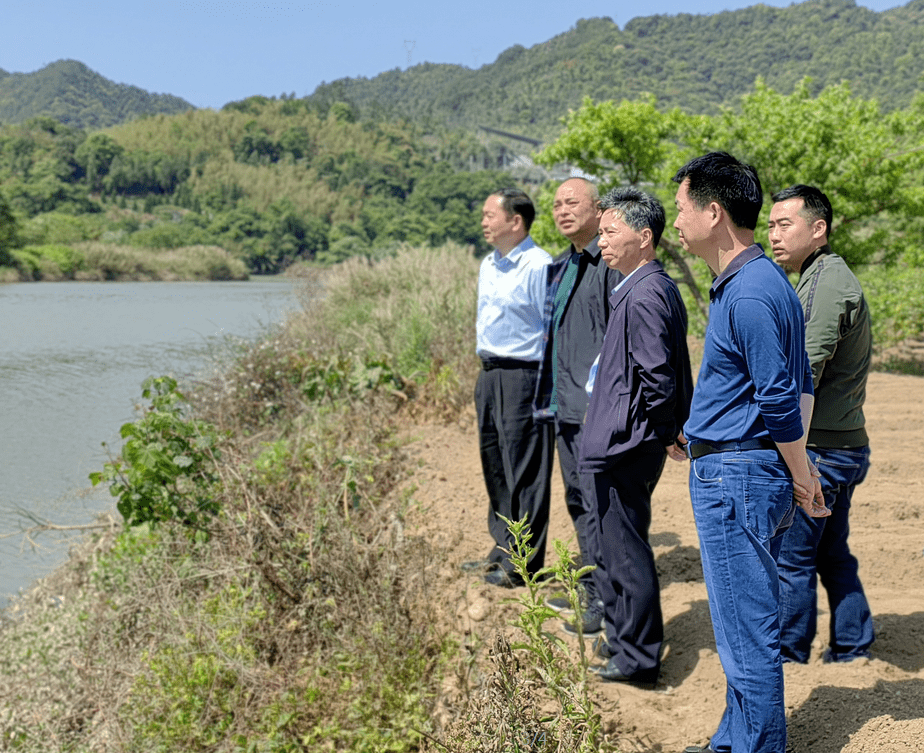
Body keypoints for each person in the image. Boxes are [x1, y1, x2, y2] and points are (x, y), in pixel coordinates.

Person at [670, 152, 827, 753]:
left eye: (683, 209)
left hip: (737, 477)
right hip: (733, 464)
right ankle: (732, 740)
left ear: (714, 212)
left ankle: (760, 746)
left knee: (747, 630)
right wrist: (701, 429)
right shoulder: (755, 283)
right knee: (737, 624)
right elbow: (796, 384)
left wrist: (801, 472)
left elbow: (782, 396)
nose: (677, 223)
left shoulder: (753, 292)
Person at [575, 186, 693, 684]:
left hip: (627, 443)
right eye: (600, 232)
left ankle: (638, 656)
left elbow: (657, 375)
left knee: (625, 550)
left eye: (609, 232)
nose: (601, 242)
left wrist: (667, 431)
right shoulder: (639, 286)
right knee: (616, 546)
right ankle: (622, 641)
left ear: (644, 238)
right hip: (623, 440)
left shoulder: (645, 292)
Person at [768, 184, 875, 664]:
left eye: (784, 224)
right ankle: (852, 645)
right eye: (770, 225)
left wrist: (792, 456)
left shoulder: (826, 283)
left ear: (818, 228)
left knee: (794, 557)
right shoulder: (818, 276)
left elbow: (804, 369)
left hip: (824, 451)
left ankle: (789, 657)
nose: (774, 235)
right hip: (841, 444)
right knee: (833, 552)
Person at [533, 177, 622, 634]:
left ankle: (606, 603)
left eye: (573, 202)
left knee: (598, 506)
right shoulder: (562, 265)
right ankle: (589, 591)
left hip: (596, 411)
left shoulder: (611, 264)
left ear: (598, 208)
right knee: (577, 502)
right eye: (556, 204)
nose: (562, 210)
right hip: (563, 407)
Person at [469, 188, 554, 588]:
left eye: (490, 215)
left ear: (515, 221)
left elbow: (551, 330)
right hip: (489, 374)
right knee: (496, 466)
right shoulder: (489, 263)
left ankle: (525, 563)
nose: (484, 221)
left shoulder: (539, 265)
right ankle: (503, 547)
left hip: (525, 376)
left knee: (526, 470)